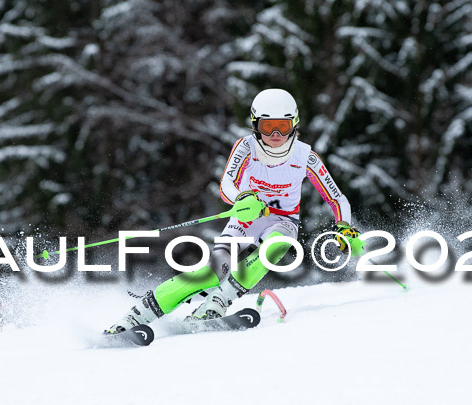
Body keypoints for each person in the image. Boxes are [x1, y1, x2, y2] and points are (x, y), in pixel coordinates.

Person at [106, 89, 364, 333]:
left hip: (283, 221)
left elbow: (336, 197)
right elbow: (226, 185)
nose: (275, 134)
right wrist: (242, 198)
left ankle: (217, 302)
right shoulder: (246, 148)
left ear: (294, 125)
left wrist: (344, 227)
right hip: (246, 220)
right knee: (212, 272)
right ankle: (135, 317)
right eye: (267, 126)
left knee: (277, 245)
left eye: (282, 126)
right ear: (255, 126)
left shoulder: (304, 157)